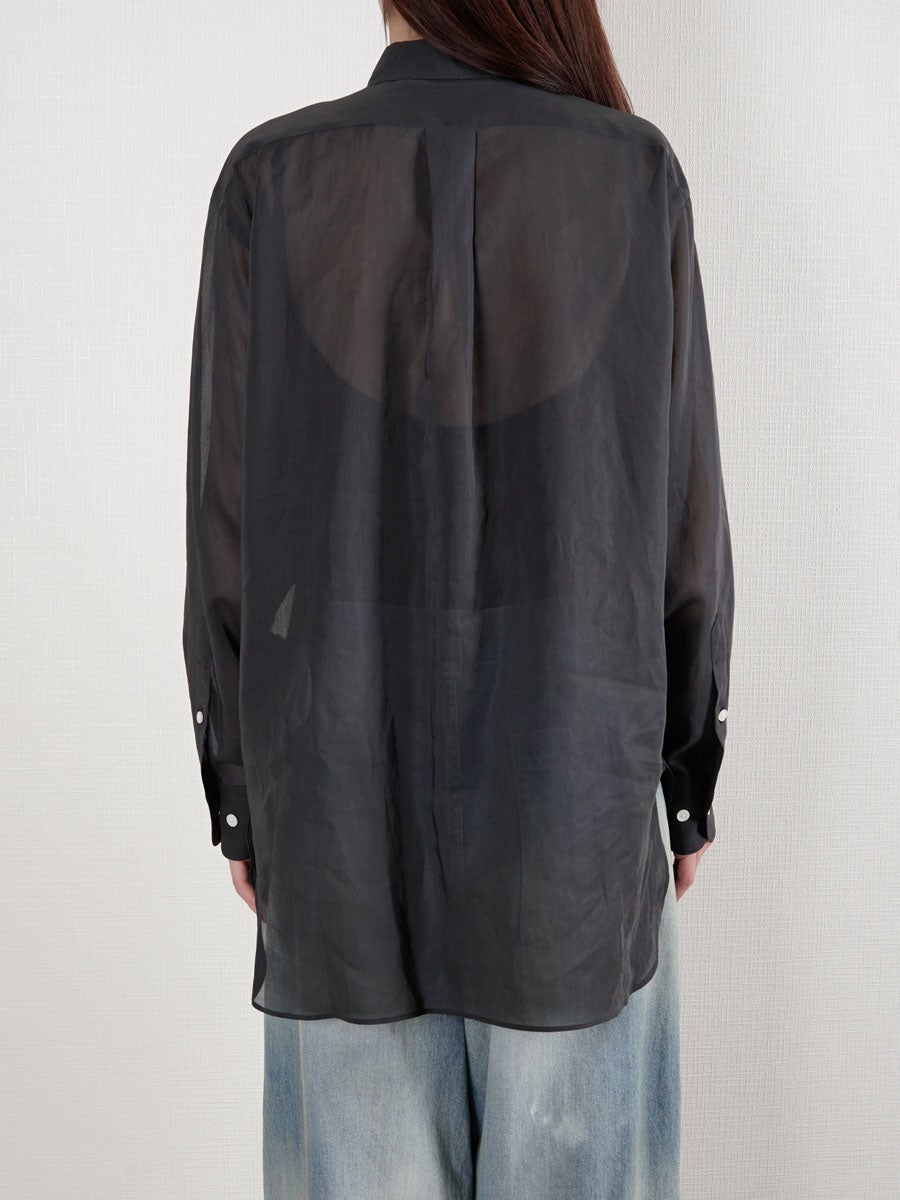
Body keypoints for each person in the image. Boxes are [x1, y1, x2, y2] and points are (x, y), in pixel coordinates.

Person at [182, 1, 735, 1196]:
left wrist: (241, 795)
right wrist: (684, 784)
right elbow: (679, 519)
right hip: (576, 813)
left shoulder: (272, 177)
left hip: (337, 817)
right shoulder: (631, 172)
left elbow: (230, 531)